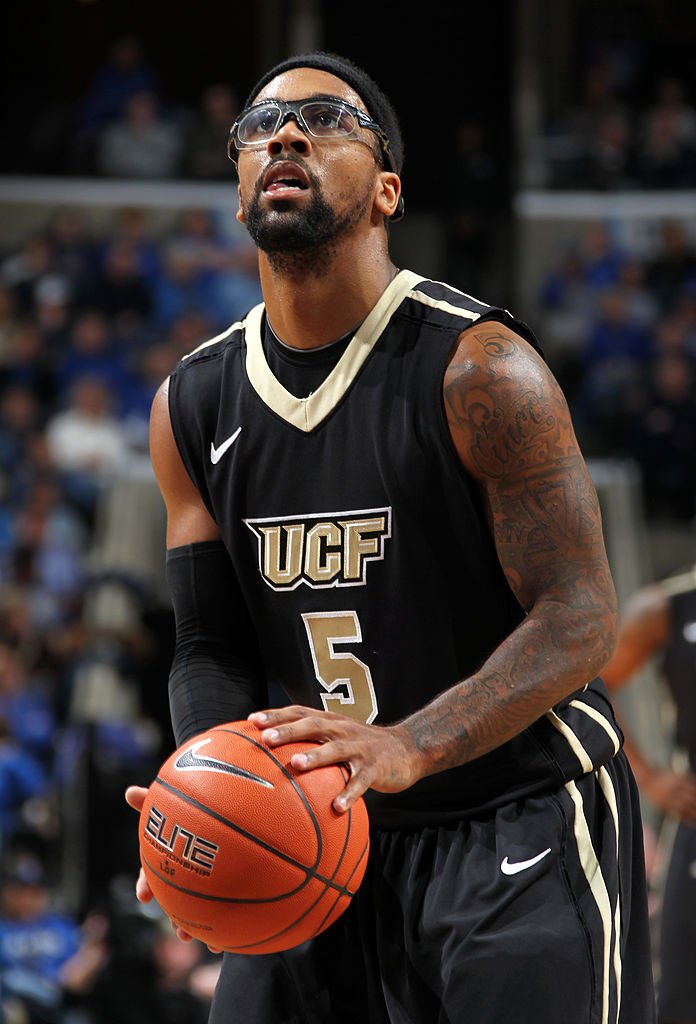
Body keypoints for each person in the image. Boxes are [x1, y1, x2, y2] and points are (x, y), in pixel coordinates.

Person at [126, 51, 656, 1023]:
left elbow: (581, 615)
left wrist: (408, 743)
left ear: (387, 190)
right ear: (239, 184)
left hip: (516, 815)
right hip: (323, 832)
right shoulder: (191, 405)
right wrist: (201, 804)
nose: (283, 135)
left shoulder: (482, 370)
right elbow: (211, 646)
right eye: (258, 129)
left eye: (326, 119)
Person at [602, 565, 696, 1024]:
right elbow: (597, 686)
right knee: (680, 989)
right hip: (693, 820)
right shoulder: (667, 607)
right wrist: (650, 777)